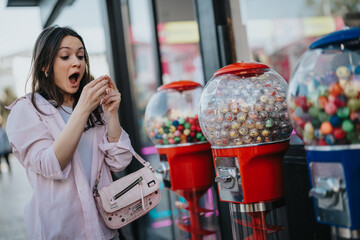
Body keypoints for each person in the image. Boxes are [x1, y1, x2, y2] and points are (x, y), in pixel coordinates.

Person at [5, 26, 134, 240]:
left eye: (81, 55)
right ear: (45, 65)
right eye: (65, 56)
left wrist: (111, 115)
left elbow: (120, 161)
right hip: (62, 231)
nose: (77, 62)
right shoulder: (26, 110)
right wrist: (82, 109)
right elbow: (50, 165)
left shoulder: (95, 107)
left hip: (106, 229)